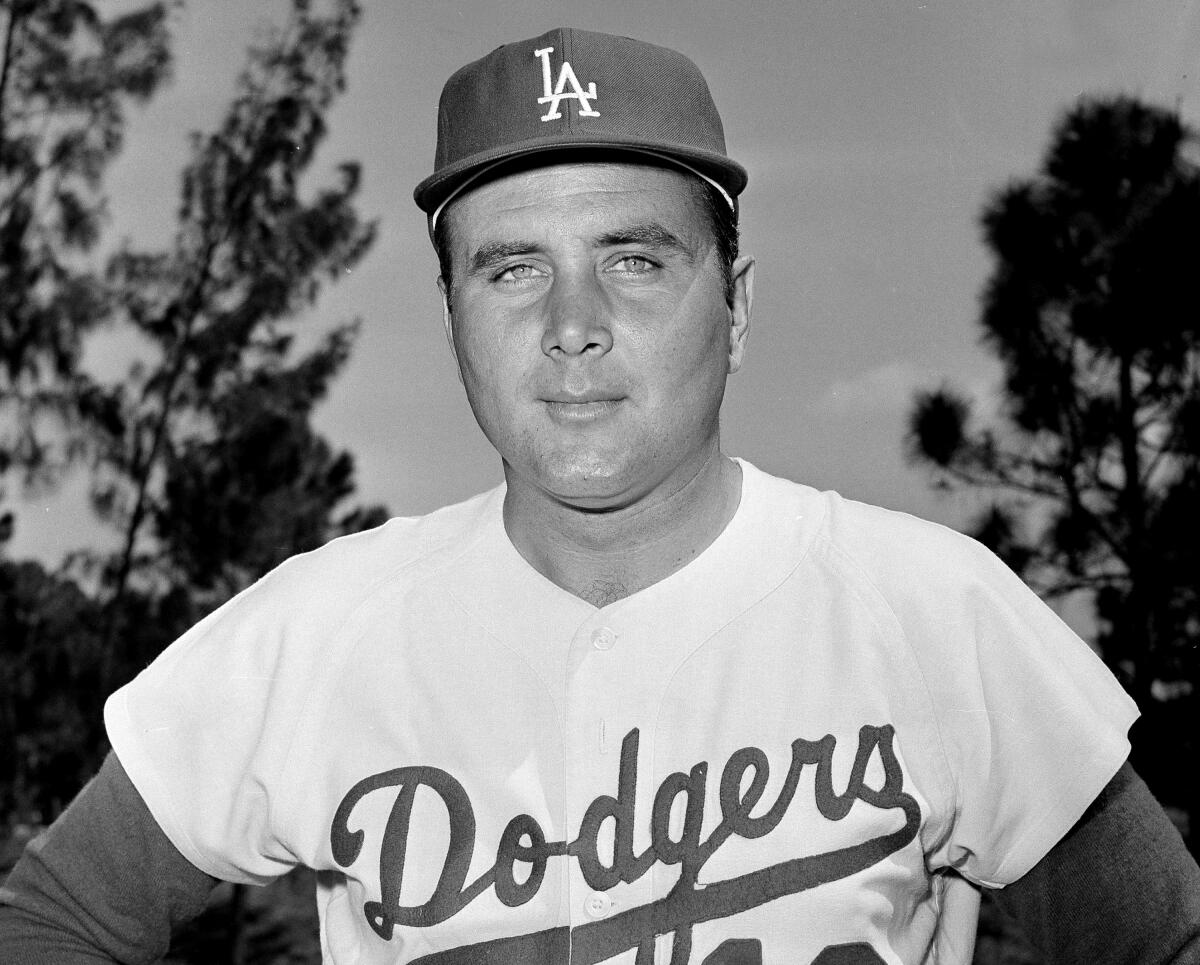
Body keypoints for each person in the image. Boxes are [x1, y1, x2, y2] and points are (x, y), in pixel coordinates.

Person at [2, 26, 1199, 965]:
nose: (573, 328)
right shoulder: (319, 630)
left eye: (635, 259)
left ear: (736, 305)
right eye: (512, 267)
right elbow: (47, 921)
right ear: (454, 318)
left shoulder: (932, 610)